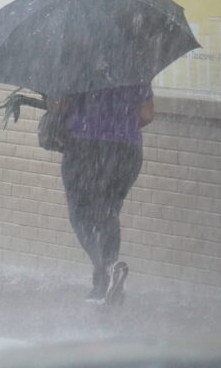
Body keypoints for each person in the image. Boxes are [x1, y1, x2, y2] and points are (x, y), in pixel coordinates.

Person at [46, 83, 154, 306]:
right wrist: (118, 123)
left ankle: (106, 269)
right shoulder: (135, 63)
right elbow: (146, 114)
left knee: (80, 214)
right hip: (126, 150)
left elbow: (59, 106)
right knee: (108, 212)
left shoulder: (73, 63)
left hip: (84, 147)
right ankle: (107, 279)